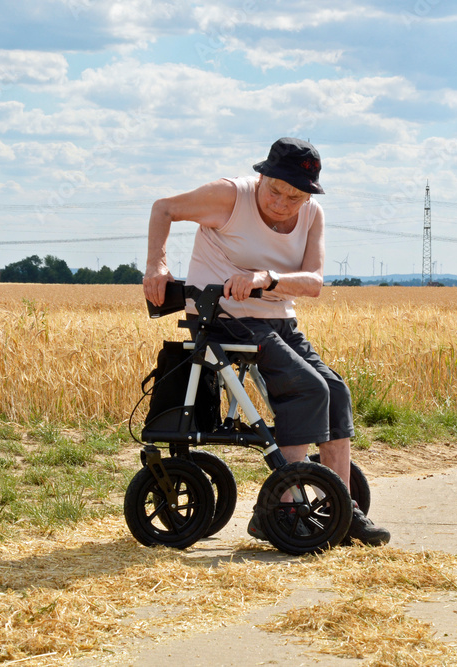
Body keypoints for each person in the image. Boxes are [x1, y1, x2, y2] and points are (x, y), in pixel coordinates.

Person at [143, 137, 389, 547]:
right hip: (223, 317)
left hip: (279, 319)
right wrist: (157, 263)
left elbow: (313, 282)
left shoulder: (312, 214)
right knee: (306, 389)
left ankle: (342, 510)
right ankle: (283, 510)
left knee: (335, 390)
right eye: (275, 190)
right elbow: (163, 208)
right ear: (261, 176)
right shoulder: (230, 197)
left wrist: (266, 278)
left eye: (294, 196)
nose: (282, 202)